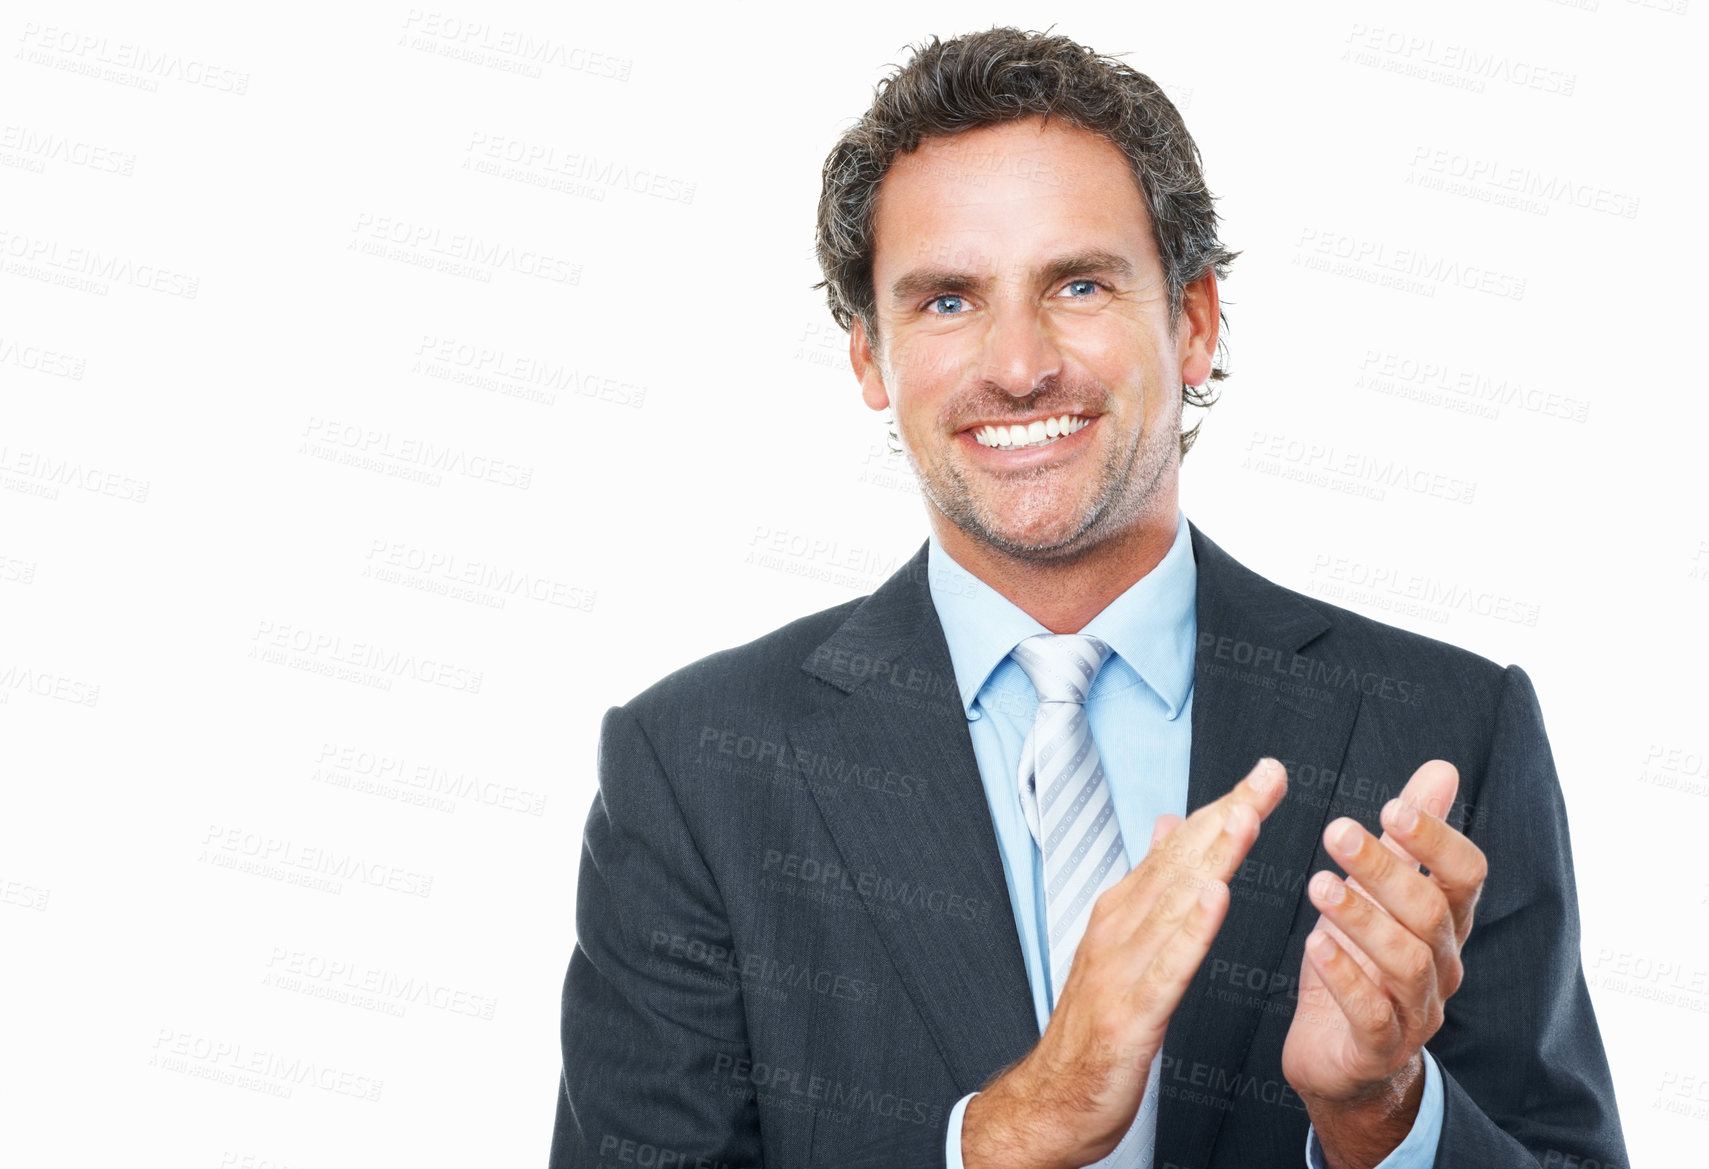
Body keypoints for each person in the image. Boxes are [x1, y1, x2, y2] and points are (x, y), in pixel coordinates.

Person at [549, 26, 1626, 1169]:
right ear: (868, 355)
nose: (1017, 365)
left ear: (1195, 320)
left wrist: (1382, 1118)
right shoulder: (695, 766)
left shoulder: (1449, 729)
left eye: (1077, 283)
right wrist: (1017, 1129)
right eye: (946, 301)